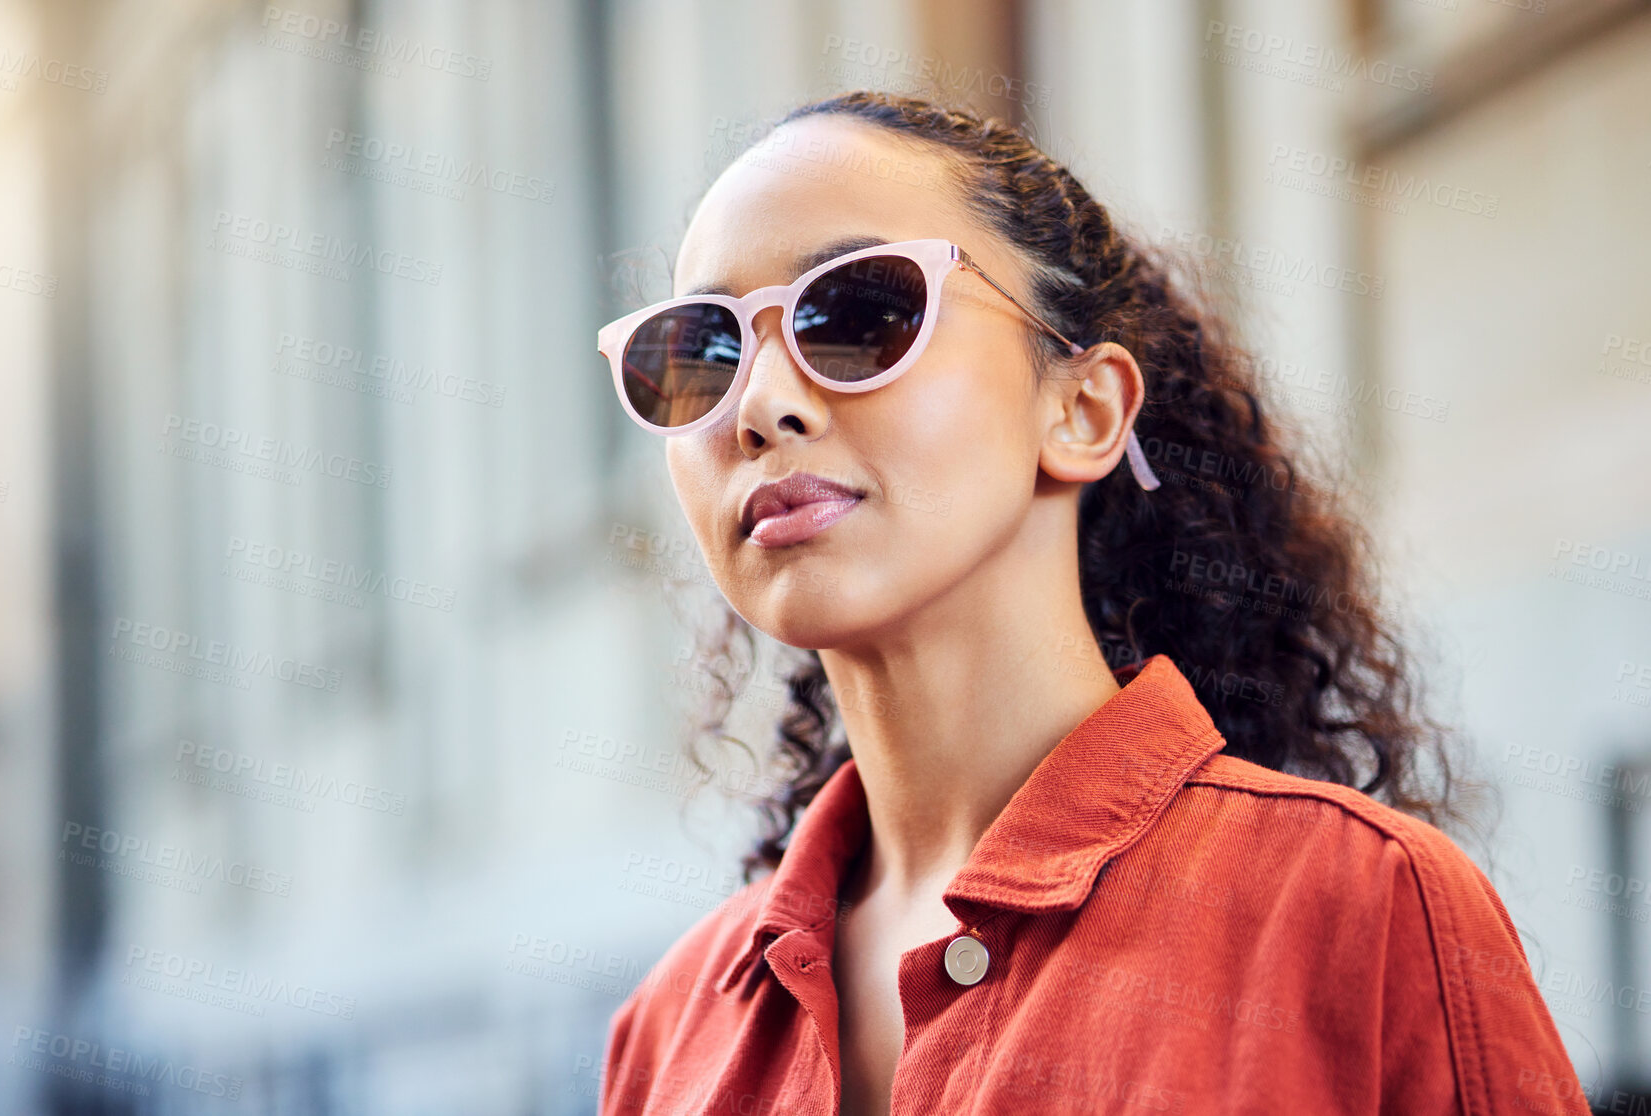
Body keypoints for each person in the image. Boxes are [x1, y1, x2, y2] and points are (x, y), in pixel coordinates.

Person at [589, 89, 1590, 1115]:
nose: (759, 404)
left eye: (857, 314)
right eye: (699, 354)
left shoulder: (1360, 914)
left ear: (1081, 409)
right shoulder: (670, 1034)